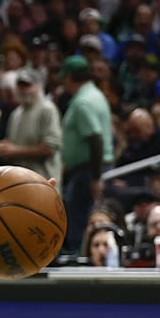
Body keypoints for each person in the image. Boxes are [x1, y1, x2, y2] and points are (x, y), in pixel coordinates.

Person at [59, 55, 113, 252]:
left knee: (79, 224)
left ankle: (77, 261)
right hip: (89, 169)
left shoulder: (83, 102)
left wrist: (96, 177)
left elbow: (95, 138)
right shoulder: (95, 95)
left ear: (69, 77)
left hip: (88, 171)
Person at [0, 68, 63, 189]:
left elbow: (49, 148)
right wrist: (3, 148)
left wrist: (15, 150)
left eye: (28, 85)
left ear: (38, 86)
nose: (24, 90)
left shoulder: (47, 109)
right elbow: (12, 144)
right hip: (20, 183)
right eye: (20, 86)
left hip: (44, 182)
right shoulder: (16, 113)